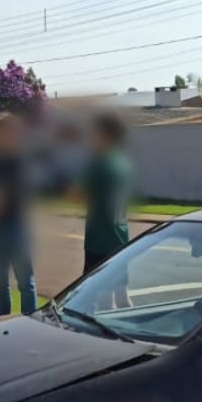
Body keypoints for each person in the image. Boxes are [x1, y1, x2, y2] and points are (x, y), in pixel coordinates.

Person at [0, 112, 37, 317]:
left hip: (15, 226)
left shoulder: (21, 162)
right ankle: (2, 322)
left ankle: (29, 322)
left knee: (25, 282)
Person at [79, 112, 133, 308]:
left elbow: (78, 195)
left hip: (100, 243)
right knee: (122, 296)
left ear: (106, 135)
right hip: (120, 240)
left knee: (100, 300)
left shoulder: (99, 164)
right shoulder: (122, 164)